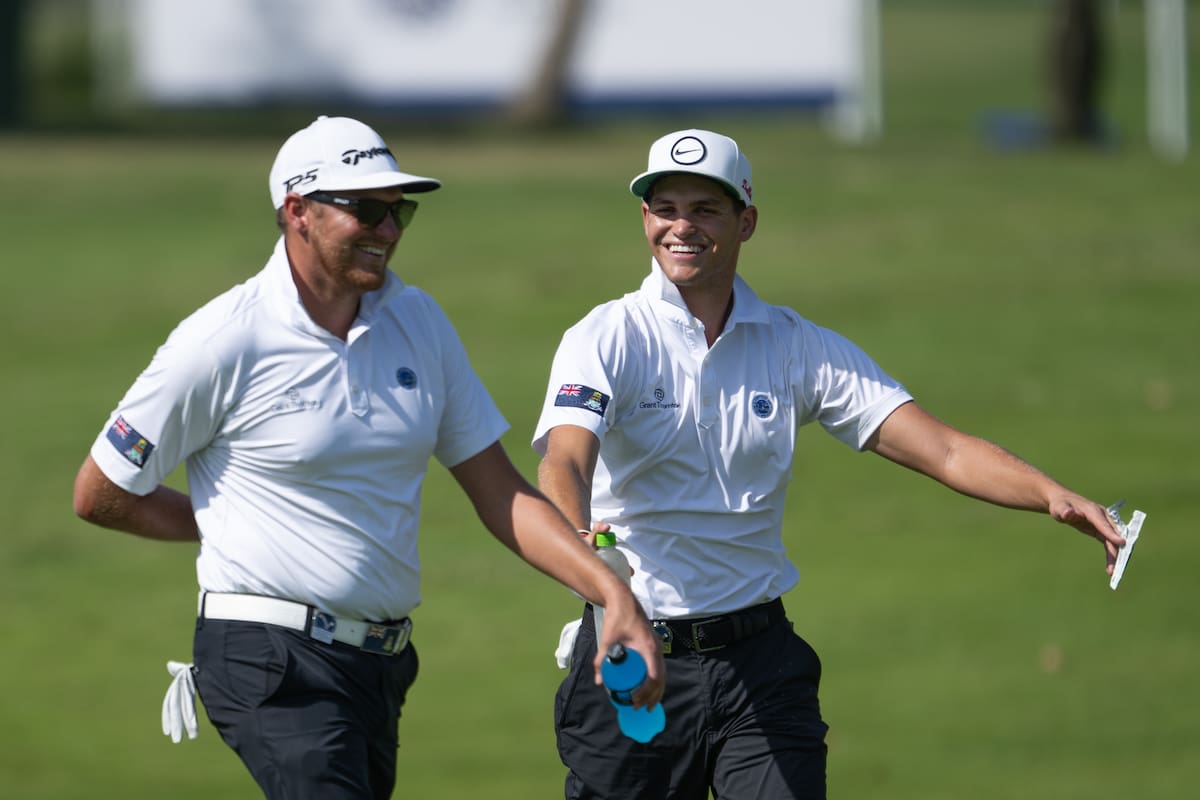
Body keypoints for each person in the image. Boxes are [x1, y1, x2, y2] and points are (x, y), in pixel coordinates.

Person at [72, 115, 663, 800]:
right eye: (367, 210)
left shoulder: (418, 322)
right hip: (269, 659)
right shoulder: (220, 342)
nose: (389, 230)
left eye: (398, 210)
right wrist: (232, 521)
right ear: (298, 211)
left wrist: (610, 592)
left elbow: (500, 492)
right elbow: (101, 492)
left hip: (379, 665)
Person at [532, 128, 1127, 799]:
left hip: (760, 666)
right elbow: (564, 464)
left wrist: (1049, 493)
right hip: (633, 655)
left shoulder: (795, 347)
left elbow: (943, 448)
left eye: (705, 209)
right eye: (665, 207)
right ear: (645, 219)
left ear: (746, 221)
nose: (681, 227)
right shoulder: (608, 336)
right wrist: (595, 569)